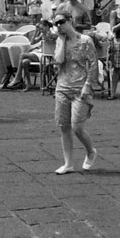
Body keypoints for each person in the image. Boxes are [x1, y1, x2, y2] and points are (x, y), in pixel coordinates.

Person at [51, 11, 100, 174]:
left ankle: (90, 150)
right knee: (63, 126)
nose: (59, 26)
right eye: (56, 24)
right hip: (62, 86)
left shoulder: (85, 40)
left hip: (80, 87)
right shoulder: (60, 41)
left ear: (70, 21)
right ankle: (68, 163)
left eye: (62, 22)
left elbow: (93, 64)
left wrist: (88, 85)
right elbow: (58, 61)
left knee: (77, 126)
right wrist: (62, 41)